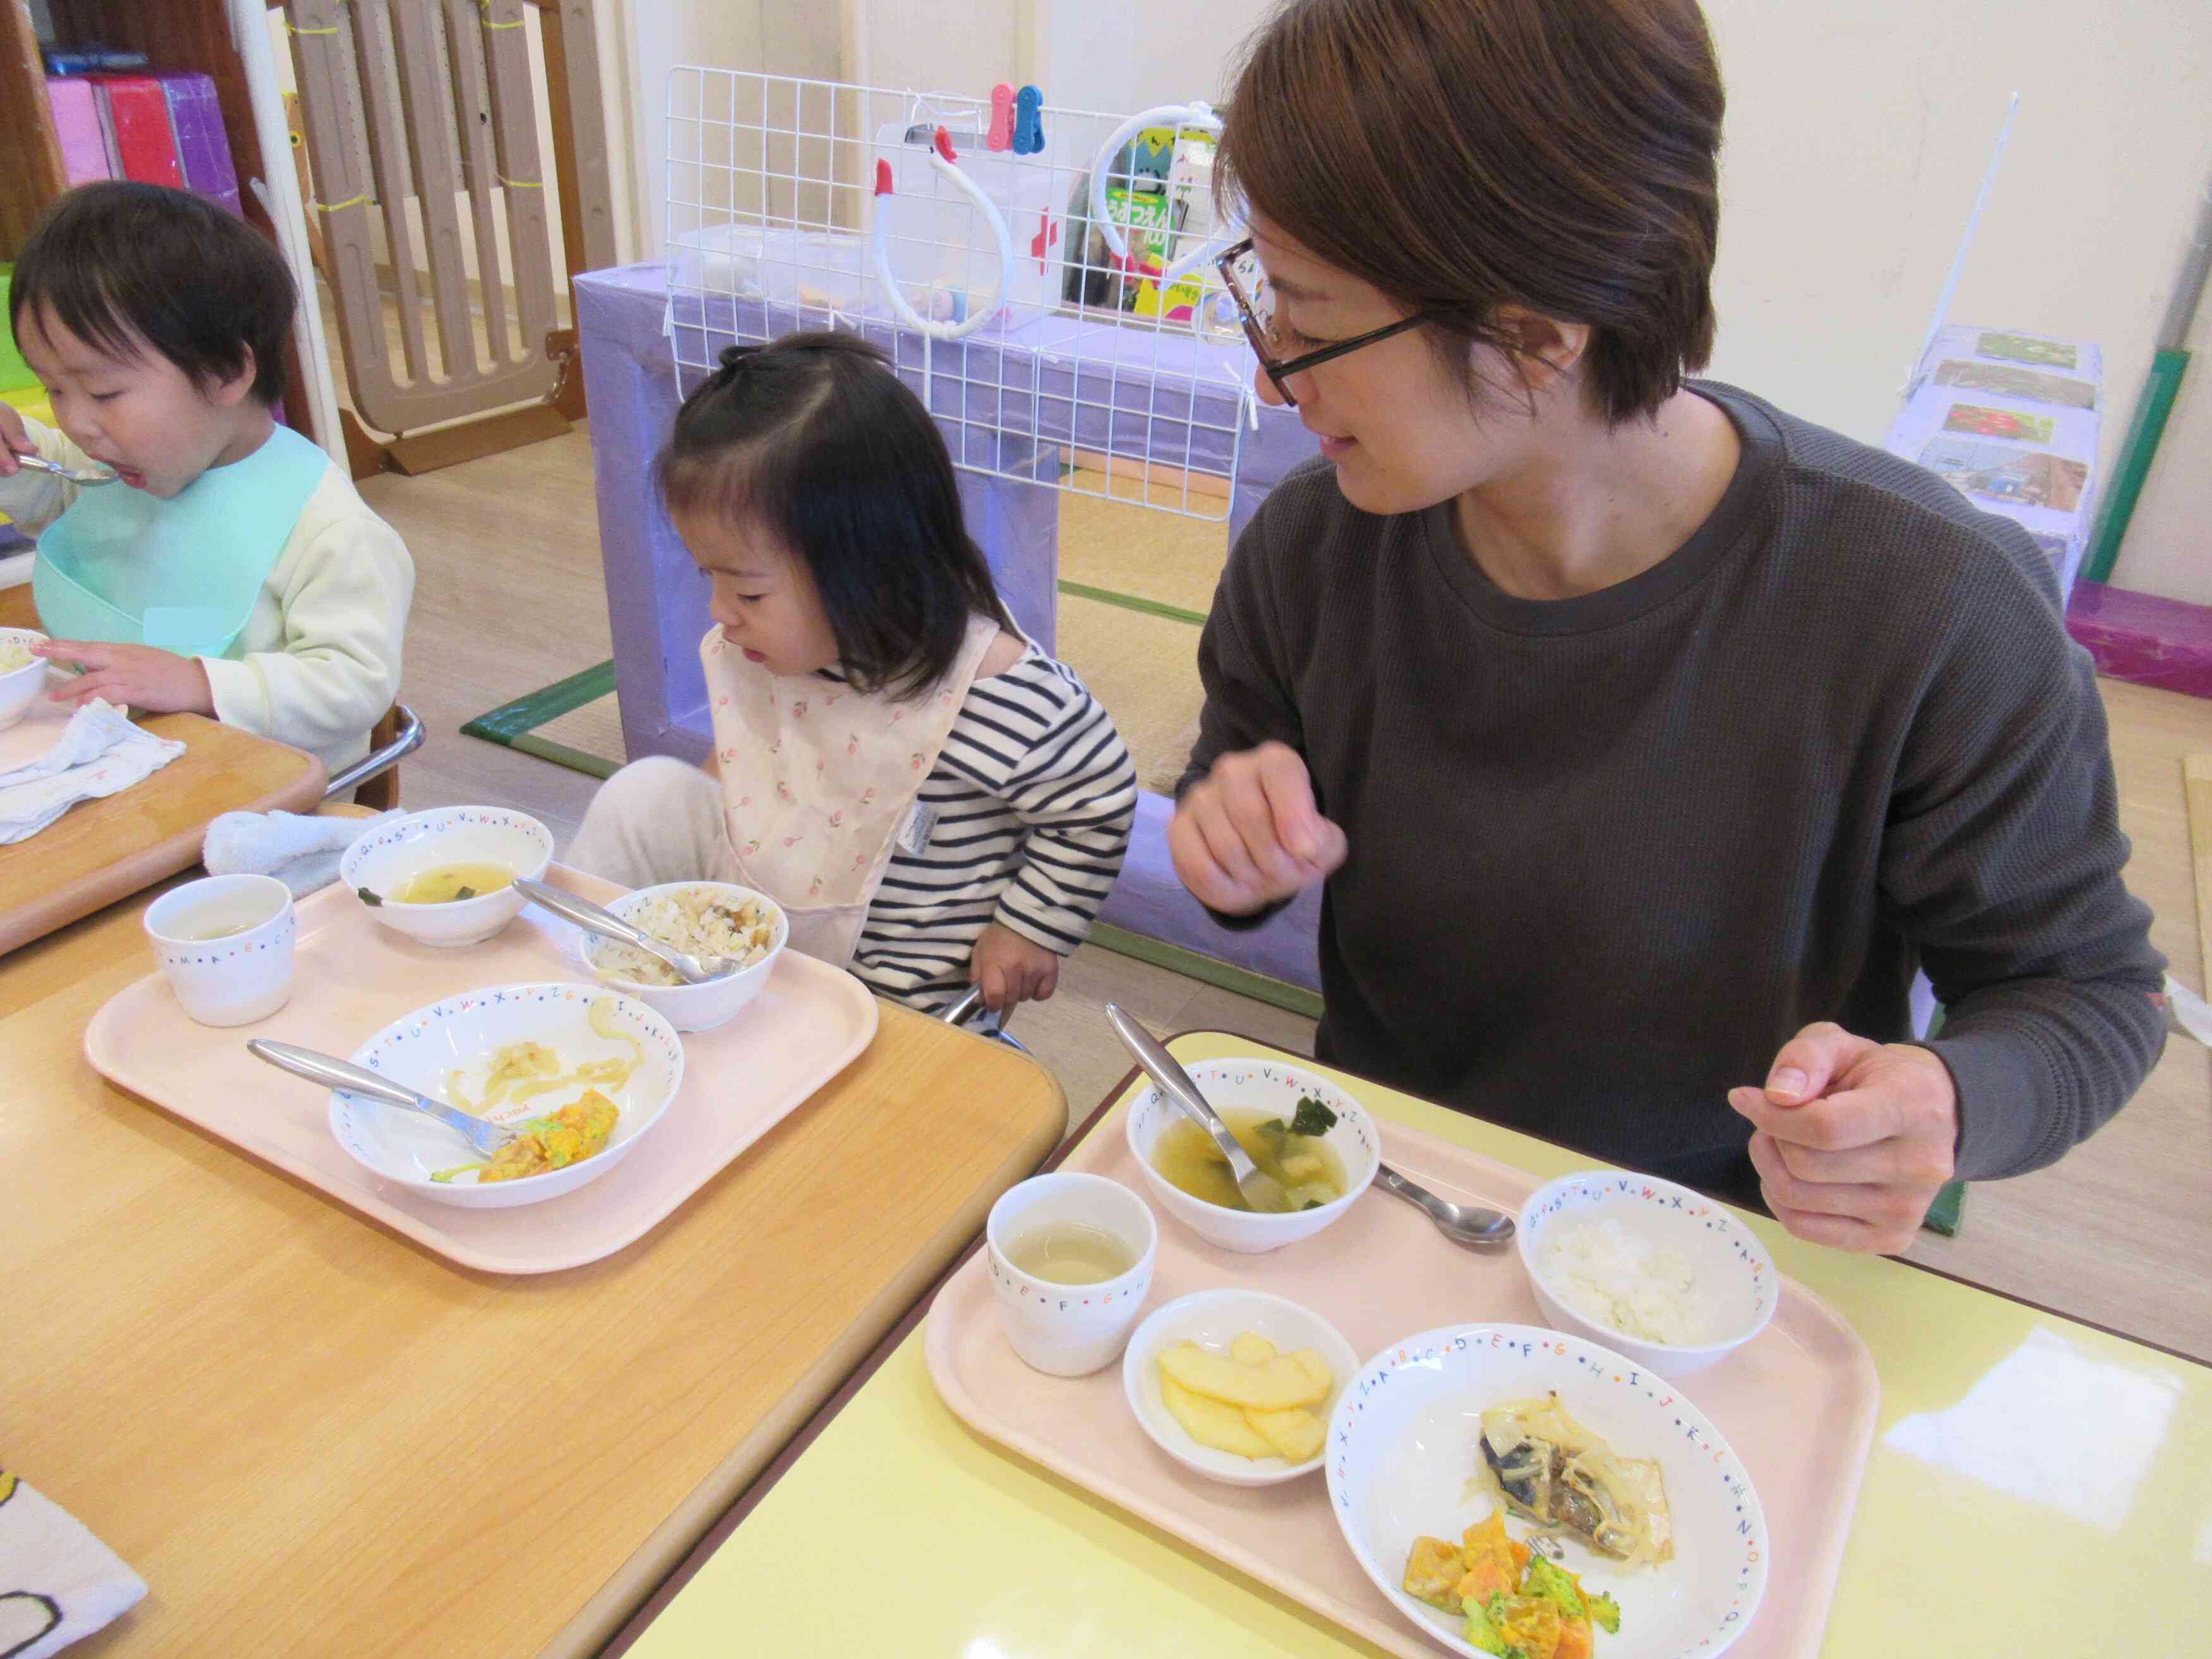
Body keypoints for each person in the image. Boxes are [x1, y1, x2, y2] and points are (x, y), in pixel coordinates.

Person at [1170, 0, 2164, 1251]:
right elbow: (1238, 788)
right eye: (1270, 300)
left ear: (1532, 338)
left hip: (1708, 1253)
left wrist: (1953, 1100)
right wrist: (1229, 831)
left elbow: (2084, 988)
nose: (1271, 372)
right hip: (1389, 1194)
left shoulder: (1928, 605)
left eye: (1310, 326)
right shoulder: (1313, 549)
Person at [570, 332, 1138, 1023]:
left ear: (868, 568)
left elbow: (1098, 797)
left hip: (898, 1010)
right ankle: (578, 984)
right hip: (741, 957)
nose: (720, 615)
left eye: (748, 593)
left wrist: (1026, 927)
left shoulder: (1001, 696)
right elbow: (746, 758)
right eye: (706, 577)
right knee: (645, 792)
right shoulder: (773, 650)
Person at [0, 181, 413, 780]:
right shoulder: (111, 463)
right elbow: (59, 484)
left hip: (258, 798)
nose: (78, 422)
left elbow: (352, 683)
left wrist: (199, 682)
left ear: (226, 373)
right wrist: (13, 453)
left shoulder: (326, 529)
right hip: (114, 758)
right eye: (54, 390)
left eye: (103, 392)